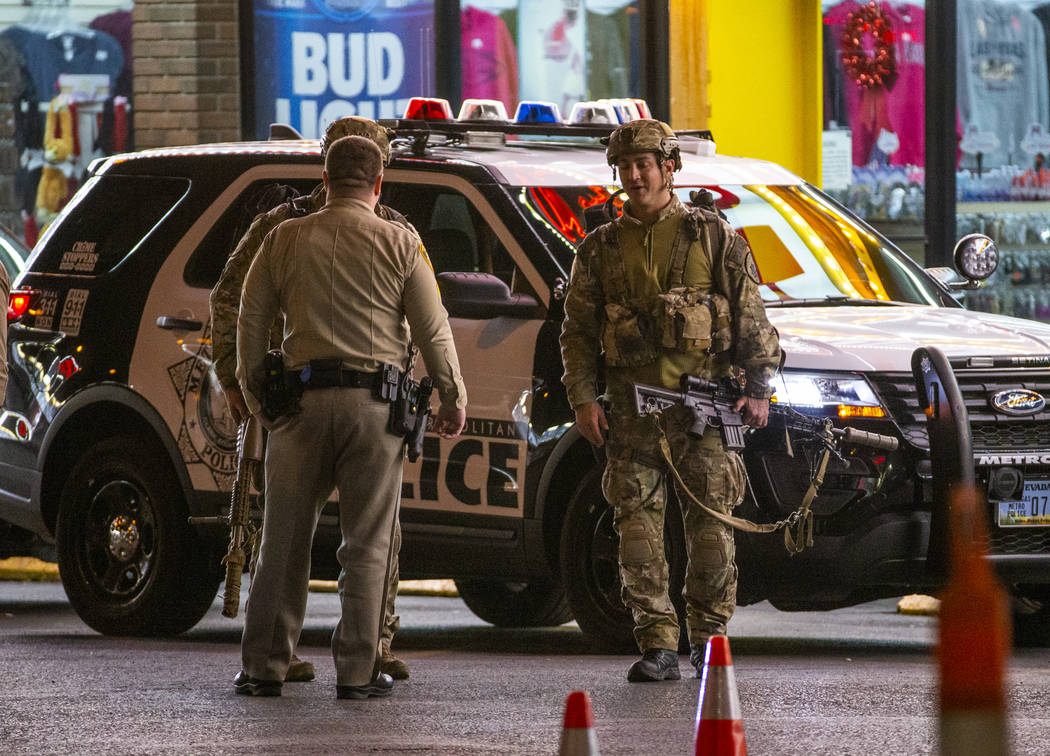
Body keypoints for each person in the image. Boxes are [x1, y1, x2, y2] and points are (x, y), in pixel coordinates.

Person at [233, 135, 467, 698]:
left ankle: (265, 666)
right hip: (375, 411)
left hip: (298, 407)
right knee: (366, 544)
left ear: (325, 177)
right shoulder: (401, 244)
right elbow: (433, 330)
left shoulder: (283, 238)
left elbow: (250, 317)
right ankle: (358, 672)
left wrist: (255, 393)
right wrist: (453, 398)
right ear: (379, 183)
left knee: (283, 541)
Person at [559, 119, 781, 682]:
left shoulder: (714, 236)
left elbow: (750, 312)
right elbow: (578, 332)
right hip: (631, 413)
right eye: (626, 167)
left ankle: (709, 640)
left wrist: (758, 386)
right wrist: (584, 398)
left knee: (710, 530)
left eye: (645, 165)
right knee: (636, 531)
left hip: (704, 410)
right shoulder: (600, 249)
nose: (634, 176)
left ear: (669, 167)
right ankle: (657, 643)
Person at [210, 116, 416, 682]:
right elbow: (231, 303)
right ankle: (300, 652)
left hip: (316, 400)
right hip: (290, 395)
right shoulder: (283, 225)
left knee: (361, 533)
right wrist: (238, 384)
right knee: (294, 531)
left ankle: (373, 641)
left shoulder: (388, 227)